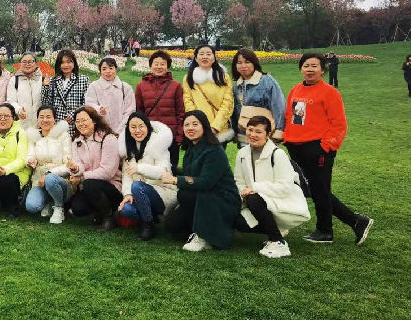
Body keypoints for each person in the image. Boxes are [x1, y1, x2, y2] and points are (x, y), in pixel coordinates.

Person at [283, 53, 373, 244]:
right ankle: (356, 221)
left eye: (314, 66)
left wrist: (324, 147)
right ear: (301, 69)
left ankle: (325, 231)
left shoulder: (330, 92)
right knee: (313, 189)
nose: (310, 69)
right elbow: (290, 117)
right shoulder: (295, 90)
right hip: (296, 146)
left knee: (320, 189)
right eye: (306, 65)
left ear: (323, 70)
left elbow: (339, 125)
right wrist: (287, 138)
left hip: (318, 148)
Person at [162, 110, 240, 251]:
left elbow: (206, 182)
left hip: (221, 197)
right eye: (186, 125)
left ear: (204, 126)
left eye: (195, 124)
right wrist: (170, 169)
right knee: (172, 225)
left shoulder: (214, 150)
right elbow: (190, 173)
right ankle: (199, 229)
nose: (190, 128)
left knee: (186, 195)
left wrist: (175, 180)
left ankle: (204, 236)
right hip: (202, 195)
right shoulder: (191, 149)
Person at [234, 116, 311, 258]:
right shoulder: (242, 154)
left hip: (281, 202)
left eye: (258, 132)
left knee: (253, 199)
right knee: (237, 222)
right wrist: (243, 191)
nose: (252, 134)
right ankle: (275, 229)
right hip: (255, 201)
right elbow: (239, 181)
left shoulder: (278, 154)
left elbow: (285, 187)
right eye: (250, 130)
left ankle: (277, 241)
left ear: (268, 134)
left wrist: (255, 188)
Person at [117, 112, 177, 241]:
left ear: (147, 126)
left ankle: (148, 225)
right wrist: (127, 194)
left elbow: (163, 172)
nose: (137, 130)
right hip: (139, 194)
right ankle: (151, 217)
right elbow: (127, 176)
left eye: (141, 126)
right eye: (133, 127)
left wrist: (139, 169)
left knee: (137, 186)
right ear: (128, 129)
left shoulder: (159, 144)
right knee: (126, 209)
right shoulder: (128, 148)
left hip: (162, 193)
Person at [66, 106, 122, 231]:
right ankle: (100, 211)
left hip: (112, 185)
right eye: (77, 121)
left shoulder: (108, 138)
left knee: (90, 183)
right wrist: (75, 169)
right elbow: (79, 164)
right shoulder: (77, 141)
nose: (81, 124)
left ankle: (109, 217)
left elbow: (108, 171)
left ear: (94, 120)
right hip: (90, 185)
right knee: (77, 208)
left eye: (84, 120)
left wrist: (82, 178)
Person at [135, 50, 185, 171]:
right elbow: (139, 112)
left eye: (162, 64)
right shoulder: (141, 86)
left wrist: (179, 137)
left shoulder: (175, 86)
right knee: (150, 169)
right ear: (150, 65)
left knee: (170, 169)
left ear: (167, 66)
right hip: (150, 136)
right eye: (156, 64)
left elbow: (181, 113)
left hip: (171, 136)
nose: (159, 67)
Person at [24, 106, 72, 224]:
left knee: (50, 179)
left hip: (60, 179)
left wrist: (49, 174)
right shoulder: (33, 136)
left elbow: (68, 164)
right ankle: (49, 201)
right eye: (41, 117)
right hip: (39, 179)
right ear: (37, 119)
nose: (45, 120)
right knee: (31, 206)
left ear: (54, 119)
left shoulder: (63, 136)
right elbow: (29, 155)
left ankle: (59, 207)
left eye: (48, 117)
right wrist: (30, 161)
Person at [231, 48, 287, 146]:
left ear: (254, 63)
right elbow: (235, 112)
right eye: (239, 63)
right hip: (245, 136)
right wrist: (236, 133)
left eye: (247, 62)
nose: (243, 66)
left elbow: (279, 106)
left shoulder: (267, 80)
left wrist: (279, 131)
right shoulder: (236, 86)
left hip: (265, 135)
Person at [182, 45, 234, 143]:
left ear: (214, 58)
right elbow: (187, 101)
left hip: (219, 129)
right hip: (198, 129)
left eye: (208, 54)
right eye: (201, 54)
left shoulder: (223, 77)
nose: (205, 57)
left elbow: (228, 103)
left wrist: (216, 126)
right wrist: (197, 124)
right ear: (196, 58)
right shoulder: (189, 78)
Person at [41, 49, 90, 137]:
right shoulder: (53, 80)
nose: (66, 65)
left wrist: (73, 115)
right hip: (57, 125)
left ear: (74, 63)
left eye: (69, 62)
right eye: (62, 62)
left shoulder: (82, 80)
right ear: (59, 65)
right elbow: (45, 103)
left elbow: (86, 103)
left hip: (75, 124)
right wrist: (45, 87)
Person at [85, 57, 135, 136]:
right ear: (100, 71)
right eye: (104, 69)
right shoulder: (94, 86)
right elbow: (89, 104)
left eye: (111, 68)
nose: (108, 71)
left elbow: (130, 110)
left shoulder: (126, 87)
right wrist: (98, 109)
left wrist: (120, 130)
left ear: (116, 69)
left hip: (123, 131)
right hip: (100, 131)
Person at [6, 52, 44, 128]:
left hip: (41, 124)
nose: (27, 64)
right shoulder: (14, 80)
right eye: (24, 62)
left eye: (30, 62)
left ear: (36, 63)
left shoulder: (42, 80)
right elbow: (11, 101)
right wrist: (19, 110)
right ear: (20, 63)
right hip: (22, 123)